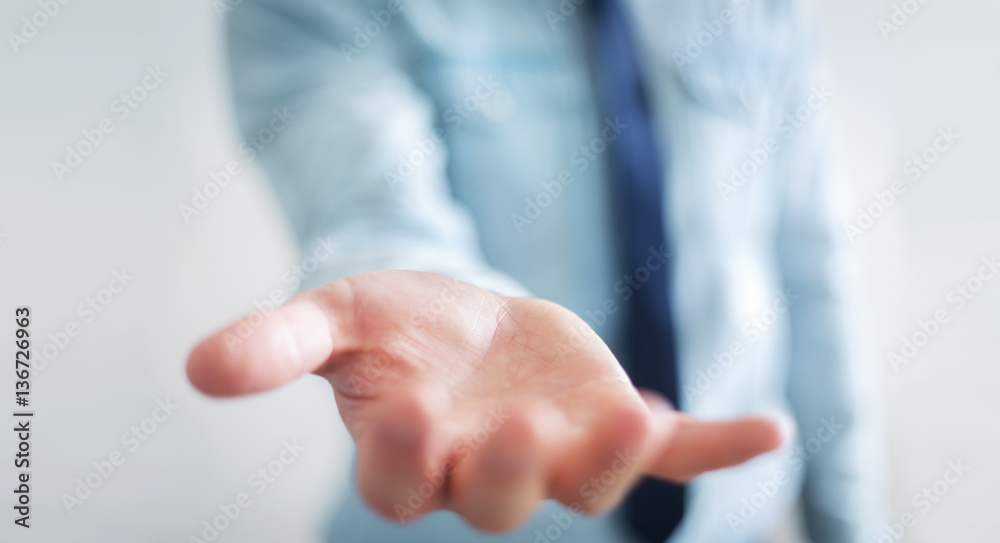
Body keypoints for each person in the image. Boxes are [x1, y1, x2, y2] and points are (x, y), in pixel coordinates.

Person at [188, 0, 885, 541]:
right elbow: (372, 202)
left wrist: (851, 524)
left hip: (735, 519)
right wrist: (431, 309)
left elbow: (812, 266)